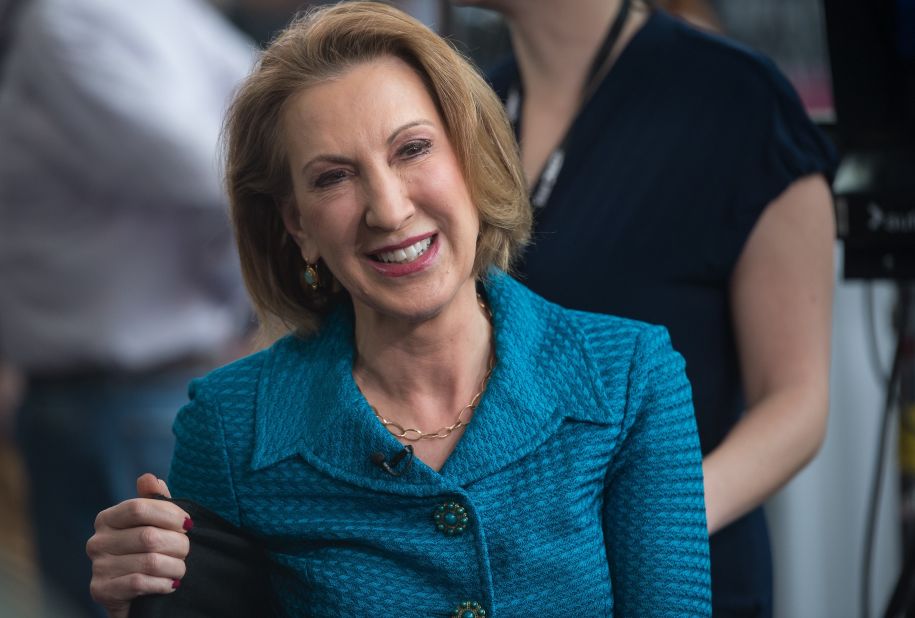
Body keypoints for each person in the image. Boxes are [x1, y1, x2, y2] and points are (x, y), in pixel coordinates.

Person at [86, 3, 712, 616]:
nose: (388, 210)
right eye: (334, 177)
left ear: (472, 156)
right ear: (297, 225)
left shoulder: (631, 376)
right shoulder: (230, 427)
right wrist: (142, 600)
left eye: (413, 149)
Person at [458, 0, 837, 615]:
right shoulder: (475, 108)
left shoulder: (737, 102)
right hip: (513, 579)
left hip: (672, 580)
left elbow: (796, 404)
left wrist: (658, 527)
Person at [0, 0, 254, 615]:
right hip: (126, 394)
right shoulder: (163, 14)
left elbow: (223, 170)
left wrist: (240, 303)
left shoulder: (67, 22)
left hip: (118, 404)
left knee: (140, 606)